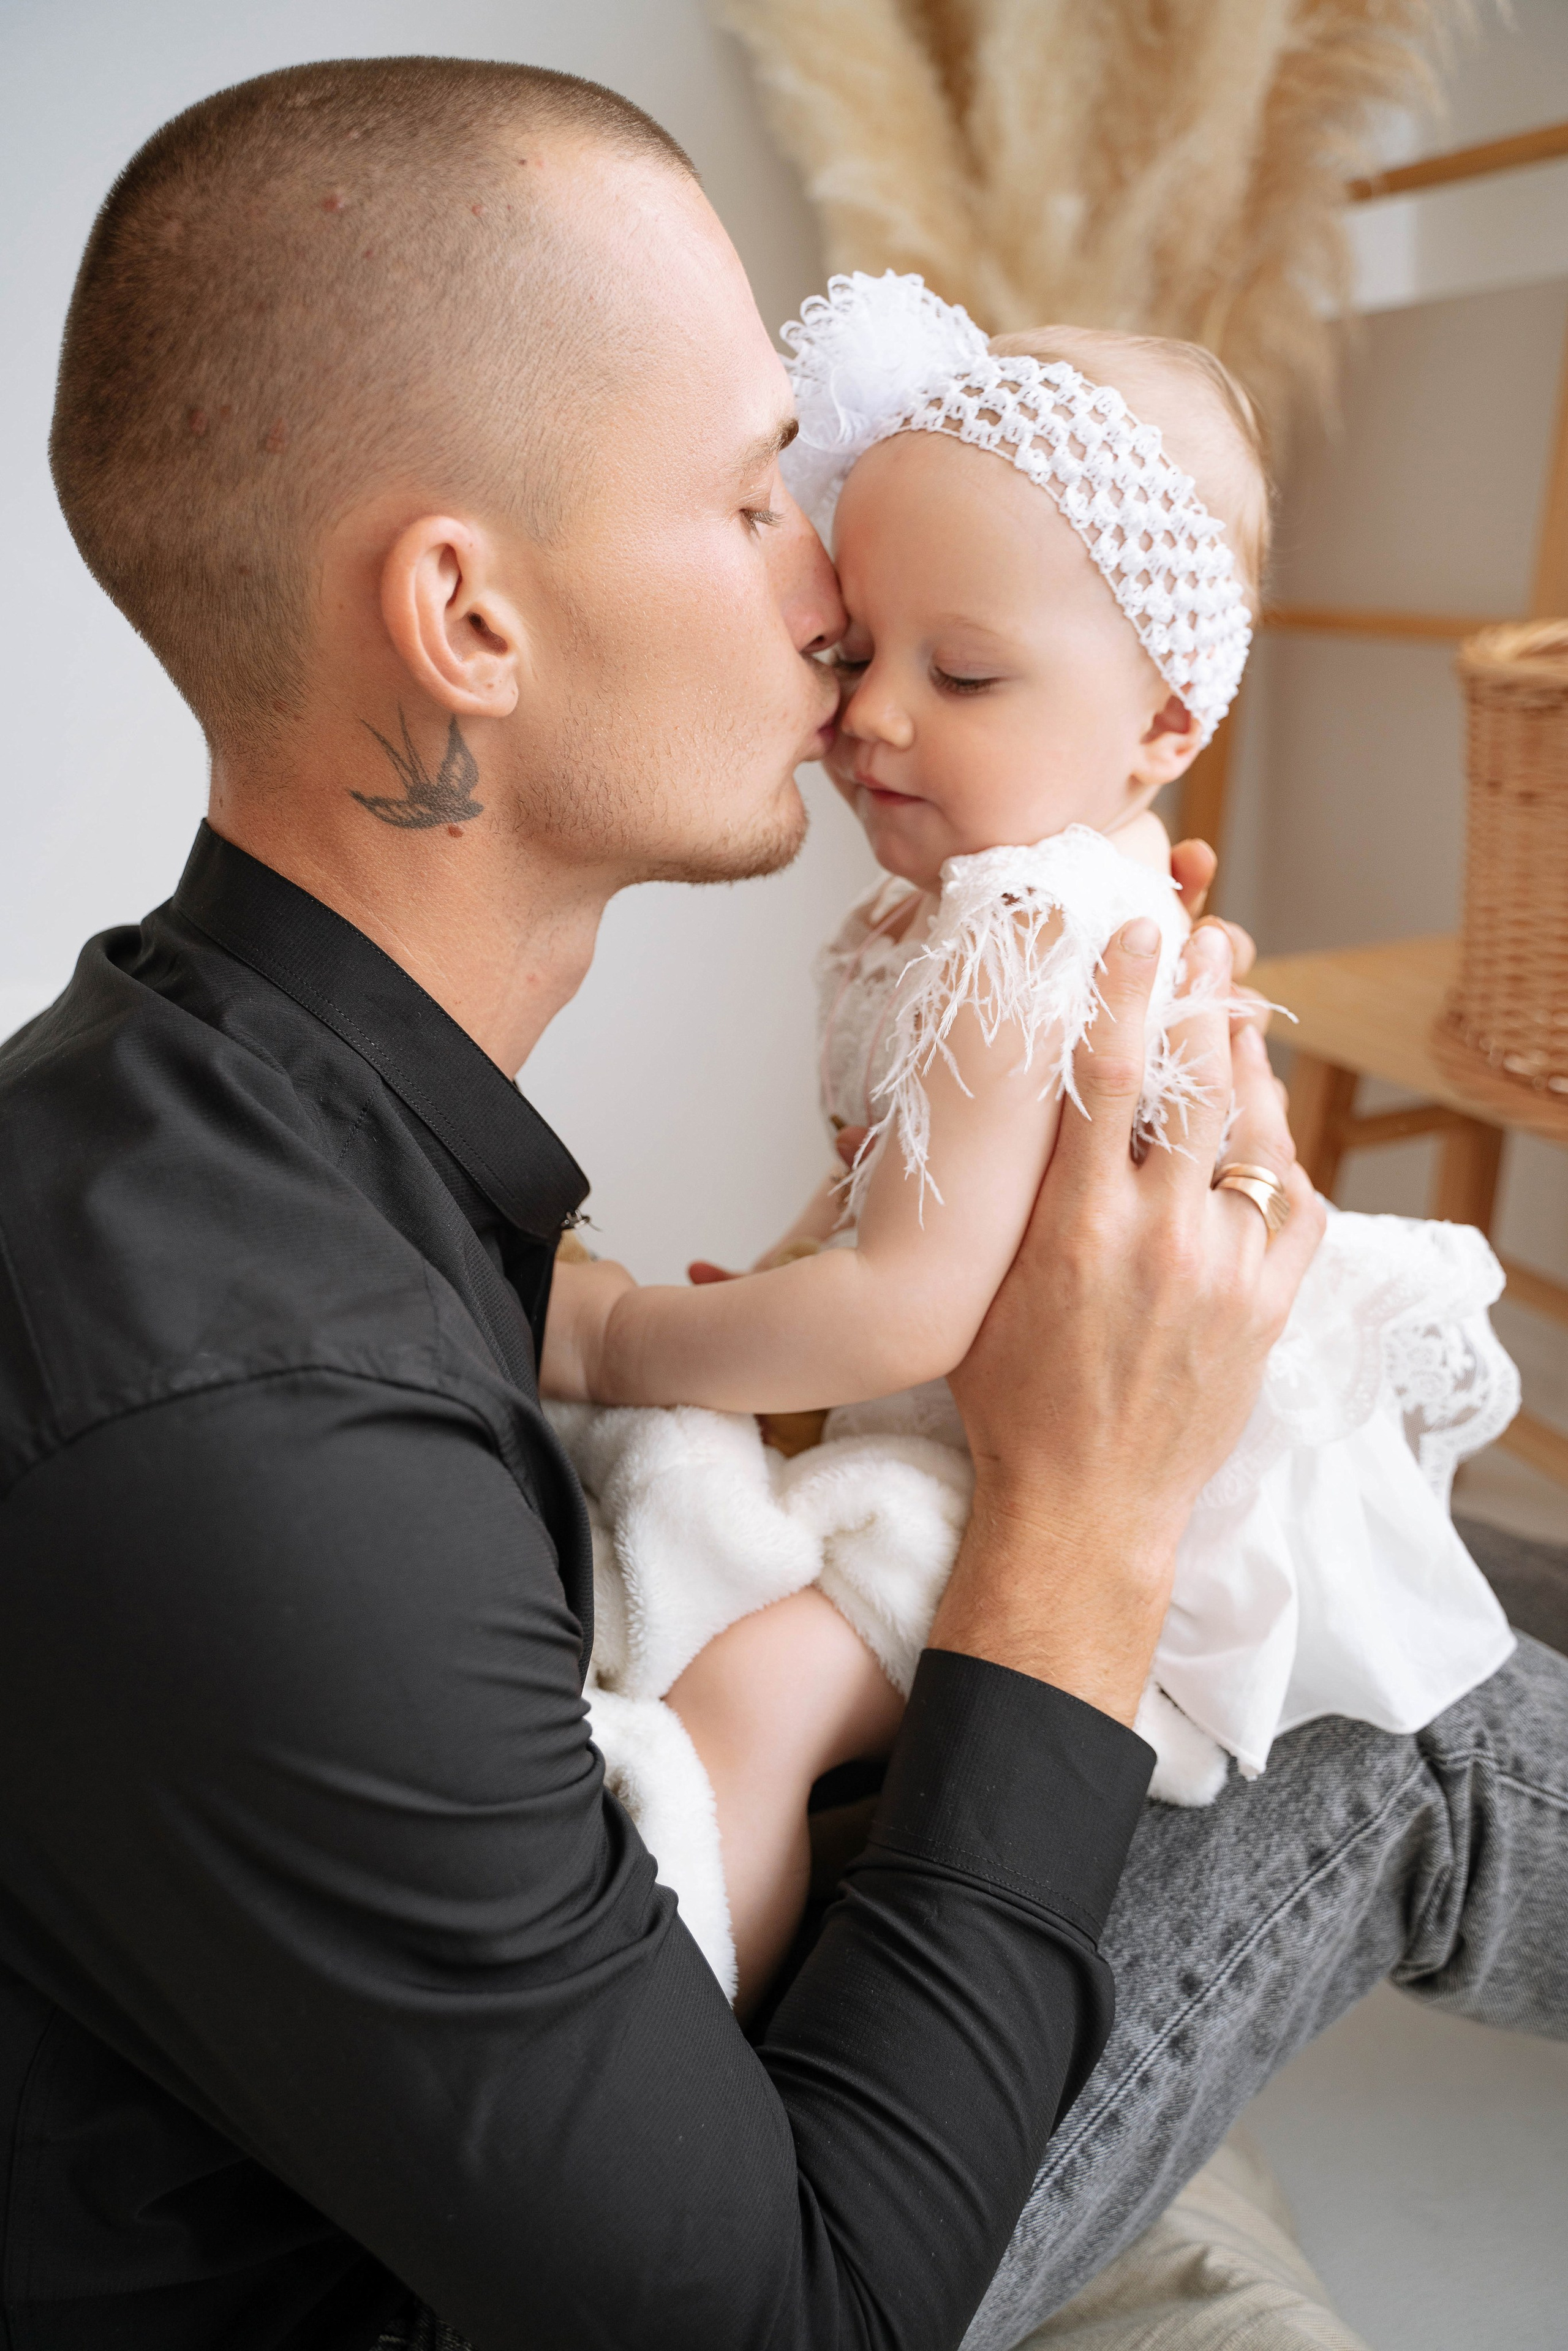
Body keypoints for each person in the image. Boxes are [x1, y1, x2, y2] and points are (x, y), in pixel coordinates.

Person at [0, 54, 1561, 2351]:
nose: (833, 603)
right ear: (470, 618)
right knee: (1415, 1713)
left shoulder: (234, 1127)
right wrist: (1089, 1508)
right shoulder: (244, 1416)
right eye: (756, 503)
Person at [541, 274, 1518, 2011]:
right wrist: (778, 1291)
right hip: (991, 1418)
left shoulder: (1024, 923)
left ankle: (688, 2073)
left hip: (1095, 1478)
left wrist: (628, 1334)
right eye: (858, 652)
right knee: (688, 1545)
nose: (876, 717)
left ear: (1167, 727)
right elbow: (895, 1197)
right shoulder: (957, 917)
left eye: (966, 671)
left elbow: (913, 1303)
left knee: (751, 1697)